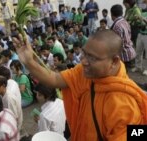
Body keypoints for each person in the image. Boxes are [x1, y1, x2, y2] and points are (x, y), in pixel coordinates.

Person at [12, 30, 147, 141]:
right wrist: (29, 61)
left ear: (114, 61)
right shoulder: (86, 72)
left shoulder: (123, 105)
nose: (83, 62)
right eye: (84, 53)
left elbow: (133, 135)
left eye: (92, 58)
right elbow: (54, 78)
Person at [110, 4, 136, 69]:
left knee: (122, 76)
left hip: (124, 55)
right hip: (130, 52)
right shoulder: (125, 21)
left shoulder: (117, 26)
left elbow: (118, 44)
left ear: (112, 14)